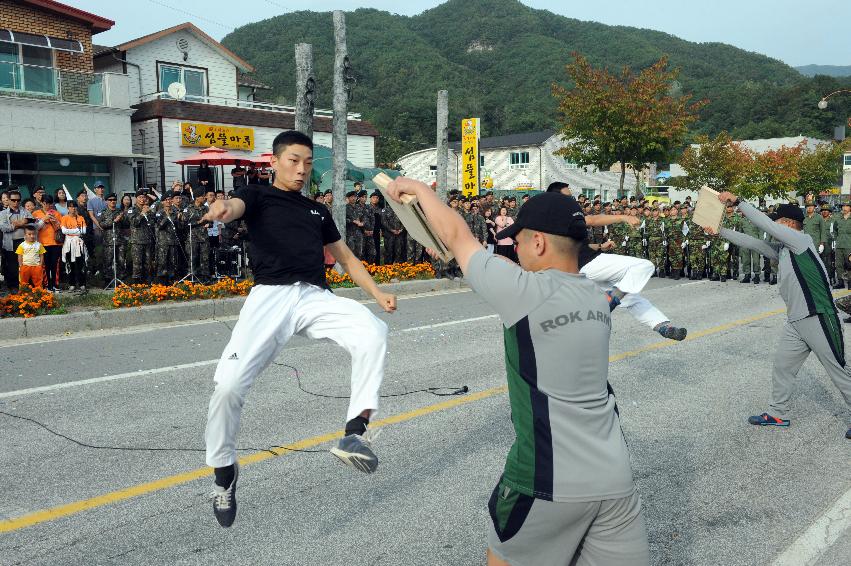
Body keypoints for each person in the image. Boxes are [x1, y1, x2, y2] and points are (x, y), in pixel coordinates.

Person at [387, 178, 649, 566]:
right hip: (615, 480)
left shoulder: (526, 292)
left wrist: (419, 191)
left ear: (538, 243)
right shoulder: (595, 295)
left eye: (519, 240)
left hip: (548, 478)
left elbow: (459, 234)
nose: (515, 247)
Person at [202, 131, 397, 528]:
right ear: (274, 161)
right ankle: (224, 471)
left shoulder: (317, 212)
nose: (301, 169)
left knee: (373, 330)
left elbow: (345, 257)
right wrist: (223, 209)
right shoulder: (256, 195)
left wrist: (376, 292)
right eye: (293, 160)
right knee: (227, 386)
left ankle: (355, 431)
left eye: (307, 162)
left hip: (313, 297)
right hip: (269, 298)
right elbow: (236, 206)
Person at [708, 192, 851, 440]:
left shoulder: (801, 240)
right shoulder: (786, 249)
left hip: (818, 315)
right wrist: (719, 231)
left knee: (838, 370)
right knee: (783, 367)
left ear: (788, 223)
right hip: (796, 321)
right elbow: (754, 243)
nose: (774, 224)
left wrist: (739, 201)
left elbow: (765, 225)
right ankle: (778, 413)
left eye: (778, 221)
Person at [547, 183, 687, 341]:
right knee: (644, 266)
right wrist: (623, 217)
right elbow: (592, 219)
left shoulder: (553, 218)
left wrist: (600, 246)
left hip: (580, 270)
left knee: (630, 295)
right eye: (568, 196)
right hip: (587, 264)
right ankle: (610, 299)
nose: (572, 199)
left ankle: (662, 325)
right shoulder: (561, 214)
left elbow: (578, 245)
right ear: (556, 198)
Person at [0, 190, 33, 292]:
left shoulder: (25, 211)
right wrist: (21, 223)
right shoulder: (3, 213)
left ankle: (26, 286)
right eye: (13, 200)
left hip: (24, 242)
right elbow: (4, 228)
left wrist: (15, 224)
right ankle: (13, 287)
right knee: (12, 266)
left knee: (27, 264)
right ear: (8, 200)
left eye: (18, 200)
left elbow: (33, 225)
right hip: (10, 243)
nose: (16, 202)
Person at [32, 194, 63, 292]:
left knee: (55, 265)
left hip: (55, 243)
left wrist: (55, 221)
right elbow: (35, 228)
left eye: (49, 204)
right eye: (45, 203)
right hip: (42, 243)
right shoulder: (36, 213)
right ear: (41, 203)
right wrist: (44, 219)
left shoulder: (57, 213)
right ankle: (46, 285)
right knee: (45, 266)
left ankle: (55, 285)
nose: (47, 206)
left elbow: (60, 229)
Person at [98, 194, 128, 285]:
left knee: (121, 261)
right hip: (109, 241)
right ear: (107, 201)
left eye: (114, 199)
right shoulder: (103, 212)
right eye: (110, 200)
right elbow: (102, 224)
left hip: (120, 240)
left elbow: (126, 224)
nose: (112, 201)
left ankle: (121, 281)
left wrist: (122, 218)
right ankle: (107, 281)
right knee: (108, 261)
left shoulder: (120, 211)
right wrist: (114, 221)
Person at [60, 201, 88, 293]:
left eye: (75, 207)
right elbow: (63, 231)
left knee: (80, 264)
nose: (73, 209)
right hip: (68, 243)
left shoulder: (80, 218)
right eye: (71, 207)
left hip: (78, 243)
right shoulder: (64, 218)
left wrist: (71, 231)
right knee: (70, 264)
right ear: (68, 208)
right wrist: (76, 230)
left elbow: (83, 231)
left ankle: (82, 284)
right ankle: (72, 284)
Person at [834, 202, 851, 291]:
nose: (844, 208)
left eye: (846, 206)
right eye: (843, 206)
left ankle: (850, 282)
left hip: (849, 245)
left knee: (850, 264)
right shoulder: (838, 219)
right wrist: (837, 240)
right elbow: (835, 231)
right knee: (838, 264)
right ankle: (840, 282)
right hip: (839, 245)